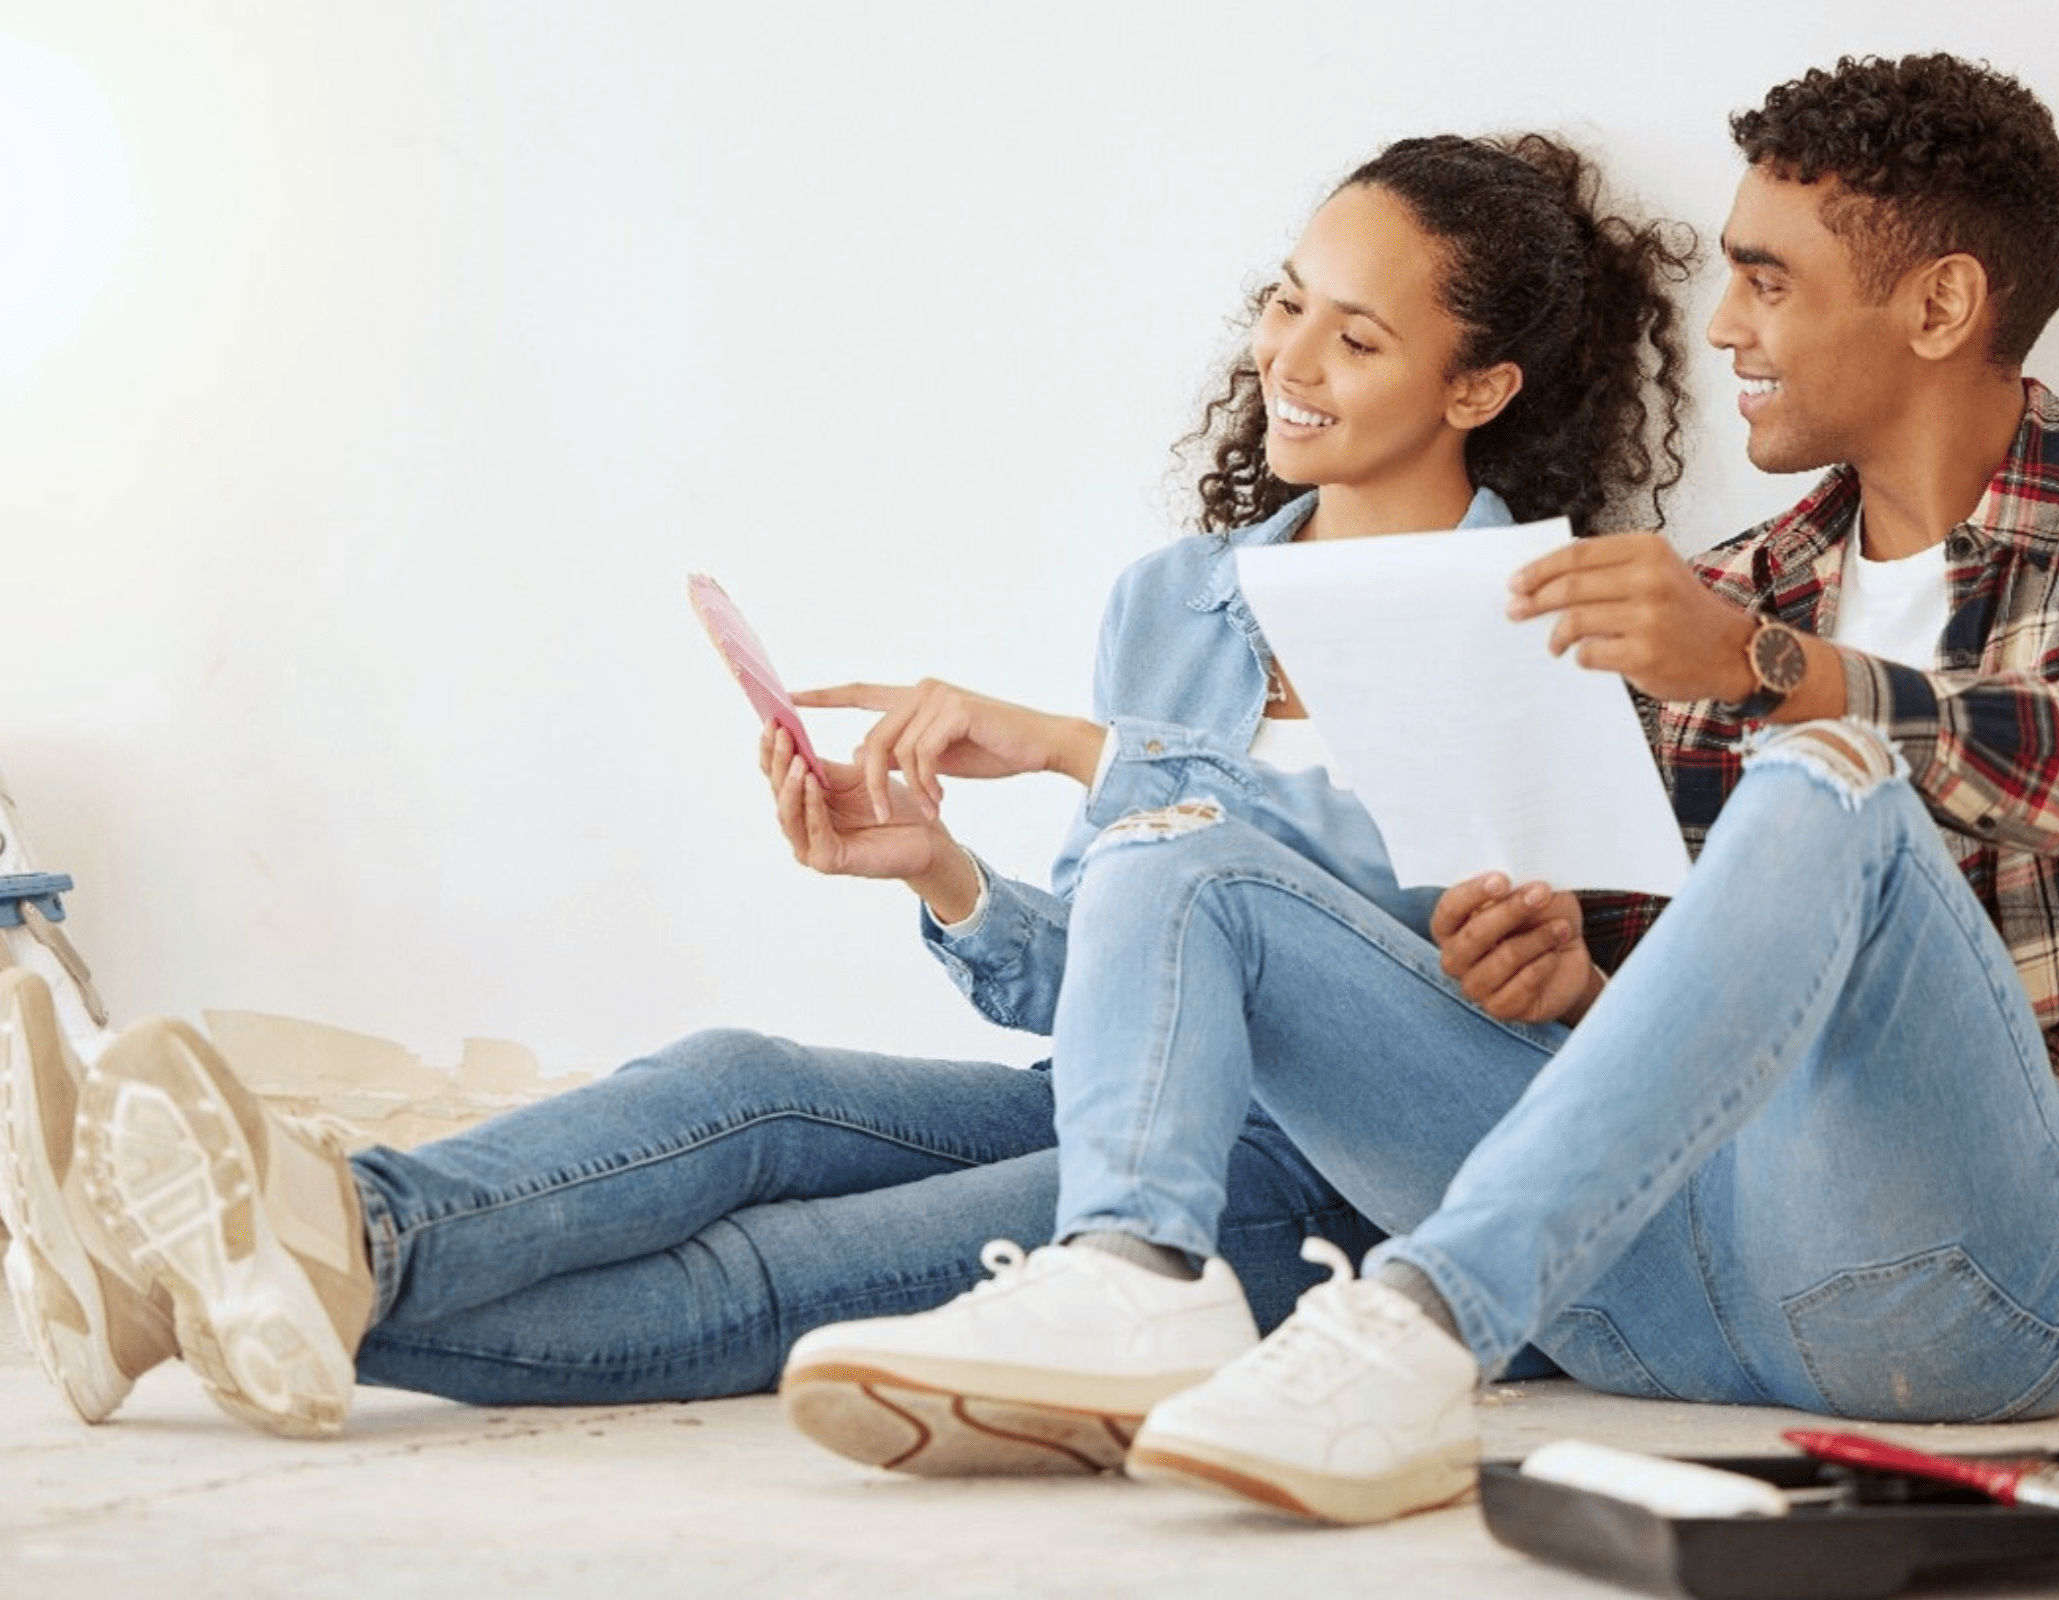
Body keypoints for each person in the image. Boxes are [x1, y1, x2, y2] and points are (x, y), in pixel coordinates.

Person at [789, 52, 2059, 1526]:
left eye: (1769, 277)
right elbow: (1651, 975)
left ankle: (1418, 1324)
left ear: (1941, 302)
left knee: (1829, 787)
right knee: (1179, 835)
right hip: (1658, 1284)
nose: (1724, 321)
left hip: (1981, 1295)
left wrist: (1768, 670)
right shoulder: (1723, 587)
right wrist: (1566, 969)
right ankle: (1130, 1276)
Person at [0, 131, 1696, 1447]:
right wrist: (942, 874)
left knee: (782, 1280)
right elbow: (1105, 972)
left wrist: (1081, 751)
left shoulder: (1550, 618)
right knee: (742, 1084)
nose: (1291, 357)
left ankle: (234, 1262)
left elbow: (1423, 950)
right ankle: (283, 1246)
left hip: (1333, 1176)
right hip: (1124, 1119)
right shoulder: (1173, 601)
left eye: (1358, 333)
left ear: (1478, 389)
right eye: (1285, 298)